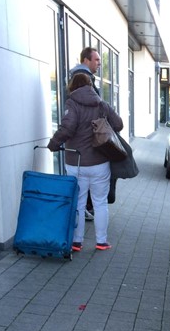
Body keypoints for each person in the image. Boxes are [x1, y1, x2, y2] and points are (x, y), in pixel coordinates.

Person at [47, 72, 123, 252]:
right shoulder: (101, 104)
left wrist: (53, 144)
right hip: (99, 162)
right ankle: (102, 241)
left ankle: (77, 242)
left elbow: (68, 127)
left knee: (79, 202)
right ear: (90, 85)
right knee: (100, 202)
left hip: (76, 162)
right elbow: (118, 124)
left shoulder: (71, 103)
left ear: (72, 86)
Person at [69, 48, 101, 220]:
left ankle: (77, 240)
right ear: (86, 60)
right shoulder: (82, 76)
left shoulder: (77, 77)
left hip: (79, 145)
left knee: (84, 192)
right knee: (92, 196)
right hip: (87, 143)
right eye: (96, 60)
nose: (99, 64)